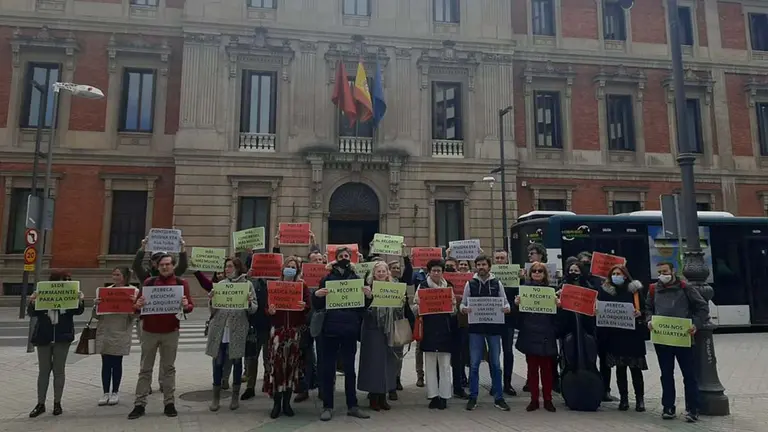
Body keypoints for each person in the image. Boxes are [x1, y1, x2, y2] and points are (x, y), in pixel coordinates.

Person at [128, 254, 194, 420]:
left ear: (173, 266)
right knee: (145, 369)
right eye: (162, 265)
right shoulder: (149, 283)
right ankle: (139, 404)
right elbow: (136, 308)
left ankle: (169, 403)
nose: (165, 267)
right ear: (157, 267)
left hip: (171, 331)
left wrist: (186, 306)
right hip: (149, 331)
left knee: (168, 368)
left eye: (168, 264)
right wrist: (137, 305)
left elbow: (190, 306)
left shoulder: (181, 283)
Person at [313, 247, 374, 421]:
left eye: (347, 256)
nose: (344, 258)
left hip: (349, 330)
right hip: (329, 331)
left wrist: (369, 297)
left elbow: (362, 307)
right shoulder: (326, 279)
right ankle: (327, 406)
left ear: (351, 258)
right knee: (328, 370)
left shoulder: (356, 279)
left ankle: (352, 405)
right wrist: (316, 295)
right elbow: (318, 306)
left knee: (349, 370)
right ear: (335, 258)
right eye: (341, 256)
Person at [646, 262, 709, 423]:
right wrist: (648, 321)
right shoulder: (653, 289)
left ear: (672, 271)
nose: (662, 274)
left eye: (665, 271)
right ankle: (668, 407)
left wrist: (695, 324)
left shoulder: (685, 287)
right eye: (659, 272)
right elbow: (648, 309)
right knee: (666, 374)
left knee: (689, 375)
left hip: (683, 338)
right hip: (662, 339)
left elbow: (702, 307)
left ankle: (693, 409)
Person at [132, 237, 188, 395]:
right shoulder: (147, 279)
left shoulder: (173, 275)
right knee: (147, 358)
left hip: (168, 325)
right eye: (157, 260)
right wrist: (142, 248)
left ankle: (164, 383)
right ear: (153, 263)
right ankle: (145, 386)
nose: (160, 263)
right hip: (148, 324)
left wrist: (183, 249)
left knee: (167, 361)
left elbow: (183, 265)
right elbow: (136, 265)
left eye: (163, 260)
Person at [27, 270, 86, 418]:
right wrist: (32, 302)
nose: (67, 282)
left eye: (69, 280)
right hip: (44, 336)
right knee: (44, 371)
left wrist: (80, 300)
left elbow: (77, 311)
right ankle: (40, 403)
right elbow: (32, 313)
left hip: (62, 336)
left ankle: (57, 403)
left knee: (59, 370)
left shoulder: (70, 295)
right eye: (65, 280)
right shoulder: (42, 293)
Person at [203, 258, 257, 411]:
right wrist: (211, 300)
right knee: (218, 362)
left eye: (230, 266)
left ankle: (235, 396)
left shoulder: (247, 285)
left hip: (238, 329)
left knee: (237, 363)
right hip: (220, 330)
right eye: (225, 266)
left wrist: (248, 302)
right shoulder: (220, 285)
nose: (227, 269)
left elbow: (254, 309)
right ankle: (216, 397)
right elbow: (213, 311)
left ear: (238, 268)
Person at [358, 261, 412, 410]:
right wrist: (368, 298)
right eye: (378, 271)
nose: (381, 273)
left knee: (388, 363)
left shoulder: (394, 288)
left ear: (388, 273)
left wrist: (401, 302)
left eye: (383, 271)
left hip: (389, 329)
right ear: (374, 273)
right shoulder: (367, 287)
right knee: (373, 363)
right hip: (372, 329)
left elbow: (401, 310)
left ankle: (383, 396)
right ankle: (373, 397)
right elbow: (361, 309)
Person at [460, 255, 511, 412]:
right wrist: (464, 309)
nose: (481, 267)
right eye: (478, 264)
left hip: (494, 329)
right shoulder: (470, 284)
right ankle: (473, 397)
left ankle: (499, 397)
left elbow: (505, 302)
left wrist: (507, 308)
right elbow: (463, 303)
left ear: (489, 266)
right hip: (476, 329)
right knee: (474, 364)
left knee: (495, 364)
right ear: (475, 267)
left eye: (484, 264)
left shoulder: (497, 283)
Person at [263, 256, 311, 418]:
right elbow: (266, 307)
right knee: (277, 368)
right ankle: (276, 403)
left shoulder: (302, 286)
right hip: (277, 331)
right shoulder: (275, 285)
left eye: (294, 267)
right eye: (288, 266)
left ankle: (286, 403)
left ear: (298, 270)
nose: (290, 269)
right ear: (283, 268)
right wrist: (269, 311)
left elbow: (308, 307)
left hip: (294, 333)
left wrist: (305, 307)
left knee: (291, 369)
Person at [596, 265, 648, 412]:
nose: (616, 276)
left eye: (619, 273)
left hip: (632, 335)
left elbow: (645, 309)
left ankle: (640, 400)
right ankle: (623, 399)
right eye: (614, 274)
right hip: (615, 335)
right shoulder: (606, 292)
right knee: (620, 369)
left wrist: (640, 313)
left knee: (635, 369)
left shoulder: (635, 291)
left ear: (625, 275)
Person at [515, 262, 561, 412]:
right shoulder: (524, 290)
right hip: (530, 332)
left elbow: (557, 318)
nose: (537, 273)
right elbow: (518, 318)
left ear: (544, 274)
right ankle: (534, 400)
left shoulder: (551, 291)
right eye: (534, 271)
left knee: (547, 370)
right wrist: (517, 304)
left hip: (546, 334)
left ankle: (548, 399)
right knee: (532, 370)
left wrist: (558, 306)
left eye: (540, 271)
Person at [93, 267, 137, 406]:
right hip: (105, 330)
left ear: (124, 276)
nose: (115, 277)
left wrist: (134, 305)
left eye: (117, 274)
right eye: (113, 274)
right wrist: (96, 306)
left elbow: (135, 316)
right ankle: (105, 392)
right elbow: (95, 316)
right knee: (105, 363)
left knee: (117, 363)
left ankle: (115, 392)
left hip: (121, 331)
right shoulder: (104, 291)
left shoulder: (133, 291)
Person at [415, 259, 455, 409]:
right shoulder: (423, 286)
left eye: (439, 270)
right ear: (429, 272)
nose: (436, 273)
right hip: (429, 329)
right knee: (430, 364)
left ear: (442, 272)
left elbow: (454, 312)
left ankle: (444, 396)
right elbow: (415, 307)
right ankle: (433, 396)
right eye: (433, 271)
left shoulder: (448, 286)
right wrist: (418, 305)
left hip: (445, 330)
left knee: (445, 365)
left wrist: (453, 305)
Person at [386, 259, 413, 400]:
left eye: (398, 268)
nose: (396, 270)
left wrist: (406, 257)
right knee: (386, 355)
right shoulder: (382, 284)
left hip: (399, 322)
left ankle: (396, 379)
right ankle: (385, 382)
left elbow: (409, 270)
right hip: (385, 324)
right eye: (393, 268)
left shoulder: (401, 283)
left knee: (398, 355)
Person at [494, 249, 518, 396]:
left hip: (508, 321)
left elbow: (520, 296)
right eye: (497, 258)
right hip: (493, 320)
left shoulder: (513, 277)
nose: (500, 260)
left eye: (502, 258)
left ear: (507, 260)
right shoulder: (490, 277)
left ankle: (507, 383)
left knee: (508, 352)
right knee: (494, 354)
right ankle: (495, 383)